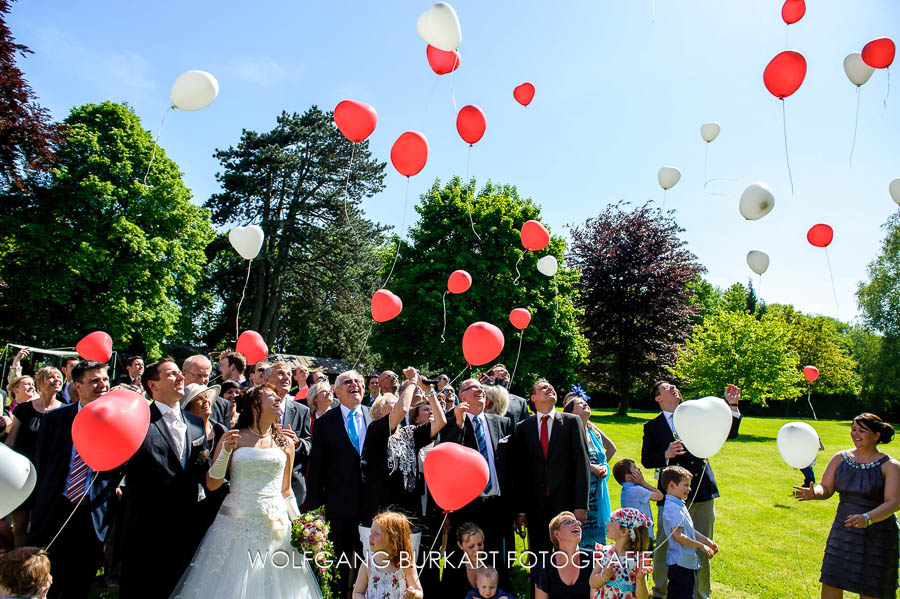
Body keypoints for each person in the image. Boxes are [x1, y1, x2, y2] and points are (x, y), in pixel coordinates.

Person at [170, 384, 323, 599]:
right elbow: (213, 484)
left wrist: (302, 526)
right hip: (235, 523)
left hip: (275, 525)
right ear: (254, 404)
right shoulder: (233, 437)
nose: (279, 398)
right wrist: (224, 453)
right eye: (271, 395)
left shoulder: (286, 442)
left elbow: (286, 490)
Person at [29, 361, 123, 599]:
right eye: (94, 381)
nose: (102, 385)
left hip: (92, 513)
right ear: (77, 386)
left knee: (81, 579)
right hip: (54, 508)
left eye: (105, 379)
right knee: (45, 578)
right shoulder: (55, 419)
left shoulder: (119, 423)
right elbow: (41, 464)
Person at [118, 358, 210, 599]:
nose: (181, 377)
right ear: (152, 384)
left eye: (180, 373)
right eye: (171, 374)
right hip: (146, 525)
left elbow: (202, 468)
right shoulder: (137, 420)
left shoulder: (195, 423)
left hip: (186, 521)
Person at [641, 382, 740, 599]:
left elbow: (729, 433)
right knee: (667, 542)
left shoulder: (698, 415)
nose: (674, 387)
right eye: (667, 387)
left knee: (703, 542)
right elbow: (646, 459)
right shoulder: (653, 426)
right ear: (658, 398)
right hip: (671, 492)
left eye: (674, 385)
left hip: (702, 488)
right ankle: (661, 591)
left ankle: (701, 593)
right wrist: (665, 454)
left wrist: (732, 406)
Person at [793, 413, 900, 599]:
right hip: (843, 534)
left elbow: (894, 502)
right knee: (832, 582)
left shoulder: (890, 465)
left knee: (873, 588)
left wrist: (867, 518)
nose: (855, 434)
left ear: (876, 435)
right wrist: (813, 493)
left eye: (861, 430)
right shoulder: (840, 458)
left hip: (878, 535)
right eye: (853, 429)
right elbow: (825, 487)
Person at [439, 378, 515, 583]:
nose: (480, 390)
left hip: (497, 505)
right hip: (466, 506)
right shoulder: (450, 421)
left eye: (481, 388)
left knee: (496, 558)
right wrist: (459, 421)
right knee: (462, 560)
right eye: (473, 388)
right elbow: (446, 456)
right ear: (461, 395)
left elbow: (513, 467)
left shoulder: (502, 422)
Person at [307, 370, 372, 597]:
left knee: (371, 560)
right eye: (348, 382)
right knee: (339, 563)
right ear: (336, 390)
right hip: (338, 506)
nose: (354, 385)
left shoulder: (374, 417)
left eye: (358, 381)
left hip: (370, 506)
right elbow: (316, 470)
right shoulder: (325, 423)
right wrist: (316, 510)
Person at [514, 379, 590, 557]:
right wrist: (521, 510)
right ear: (533, 397)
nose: (550, 388)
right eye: (543, 388)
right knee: (539, 556)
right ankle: (540, 584)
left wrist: (581, 505)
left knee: (568, 553)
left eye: (551, 386)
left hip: (566, 503)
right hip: (536, 505)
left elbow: (582, 464)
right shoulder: (524, 428)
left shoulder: (571, 422)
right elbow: (520, 472)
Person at [362, 369, 446, 524]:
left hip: (409, 511)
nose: (397, 405)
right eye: (391, 403)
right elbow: (402, 409)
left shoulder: (410, 433)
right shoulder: (375, 430)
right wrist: (413, 381)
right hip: (384, 513)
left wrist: (430, 392)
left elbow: (440, 422)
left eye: (397, 401)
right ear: (379, 413)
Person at [5, 367, 63, 546]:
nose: (56, 381)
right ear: (39, 384)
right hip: (24, 473)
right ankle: (18, 566)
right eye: (51, 378)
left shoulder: (66, 411)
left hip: (51, 476)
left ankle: (39, 565)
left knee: (45, 523)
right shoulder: (23, 410)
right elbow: (11, 441)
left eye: (59, 377)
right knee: (20, 525)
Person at [563, 393, 616, 548]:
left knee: (598, 542)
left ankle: (597, 569)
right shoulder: (567, 433)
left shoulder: (594, 434)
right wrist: (590, 468)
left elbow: (605, 455)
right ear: (571, 412)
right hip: (579, 494)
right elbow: (564, 461)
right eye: (579, 404)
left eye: (585, 402)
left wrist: (603, 468)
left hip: (598, 494)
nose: (585, 404)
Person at [659, 466, 717, 599]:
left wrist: (706, 541)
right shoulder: (673, 508)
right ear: (672, 485)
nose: (689, 489)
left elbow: (689, 530)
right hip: (679, 564)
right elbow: (678, 536)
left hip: (686, 562)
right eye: (686, 485)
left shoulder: (679, 503)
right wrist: (700, 546)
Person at [266, 362, 313, 505]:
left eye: (288, 374)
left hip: (293, 483)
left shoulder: (302, 410)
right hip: (264, 479)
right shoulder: (256, 406)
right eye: (280, 373)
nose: (286, 378)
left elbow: (309, 443)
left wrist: (298, 443)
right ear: (267, 380)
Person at [352, 511, 422, 599]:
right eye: (371, 532)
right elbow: (358, 592)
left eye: (376, 534)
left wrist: (413, 594)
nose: (370, 536)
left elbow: (419, 592)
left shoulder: (405, 563)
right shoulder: (368, 564)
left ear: (393, 539)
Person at [590, 508, 653, 599]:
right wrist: (603, 576)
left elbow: (643, 597)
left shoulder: (639, 559)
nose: (607, 523)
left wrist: (640, 579)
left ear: (624, 531)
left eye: (612, 521)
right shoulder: (604, 552)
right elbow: (592, 583)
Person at [530, 511, 593, 598]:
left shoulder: (593, 559)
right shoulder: (544, 568)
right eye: (568, 522)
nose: (576, 524)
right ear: (557, 534)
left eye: (577, 522)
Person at [440, 522, 489, 597]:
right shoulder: (453, 569)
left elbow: (508, 594)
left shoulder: (494, 564)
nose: (477, 550)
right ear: (460, 545)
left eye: (480, 544)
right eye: (471, 546)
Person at [612, 459, 663, 529]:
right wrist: (643, 482)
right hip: (644, 532)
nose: (638, 469)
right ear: (628, 477)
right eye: (635, 467)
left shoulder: (625, 490)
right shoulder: (636, 490)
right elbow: (660, 496)